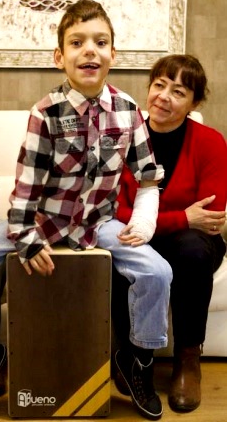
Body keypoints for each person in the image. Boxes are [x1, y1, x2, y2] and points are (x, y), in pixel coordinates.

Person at [0, 0, 172, 419]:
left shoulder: (128, 112)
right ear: (59, 57)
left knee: (157, 271)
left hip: (98, 225)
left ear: (113, 55)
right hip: (41, 221)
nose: (90, 50)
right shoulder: (45, 112)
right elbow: (23, 192)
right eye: (77, 42)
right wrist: (28, 241)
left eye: (100, 42)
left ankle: (137, 361)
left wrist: (143, 222)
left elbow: (147, 179)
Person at [113, 54, 227, 413]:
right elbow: (115, 211)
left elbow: (211, 215)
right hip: (138, 236)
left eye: (178, 91)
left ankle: (188, 359)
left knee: (191, 250)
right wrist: (181, 218)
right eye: (159, 85)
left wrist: (179, 223)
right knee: (119, 250)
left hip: (193, 242)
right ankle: (130, 356)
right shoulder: (122, 138)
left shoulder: (210, 142)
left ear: (194, 103)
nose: (164, 96)